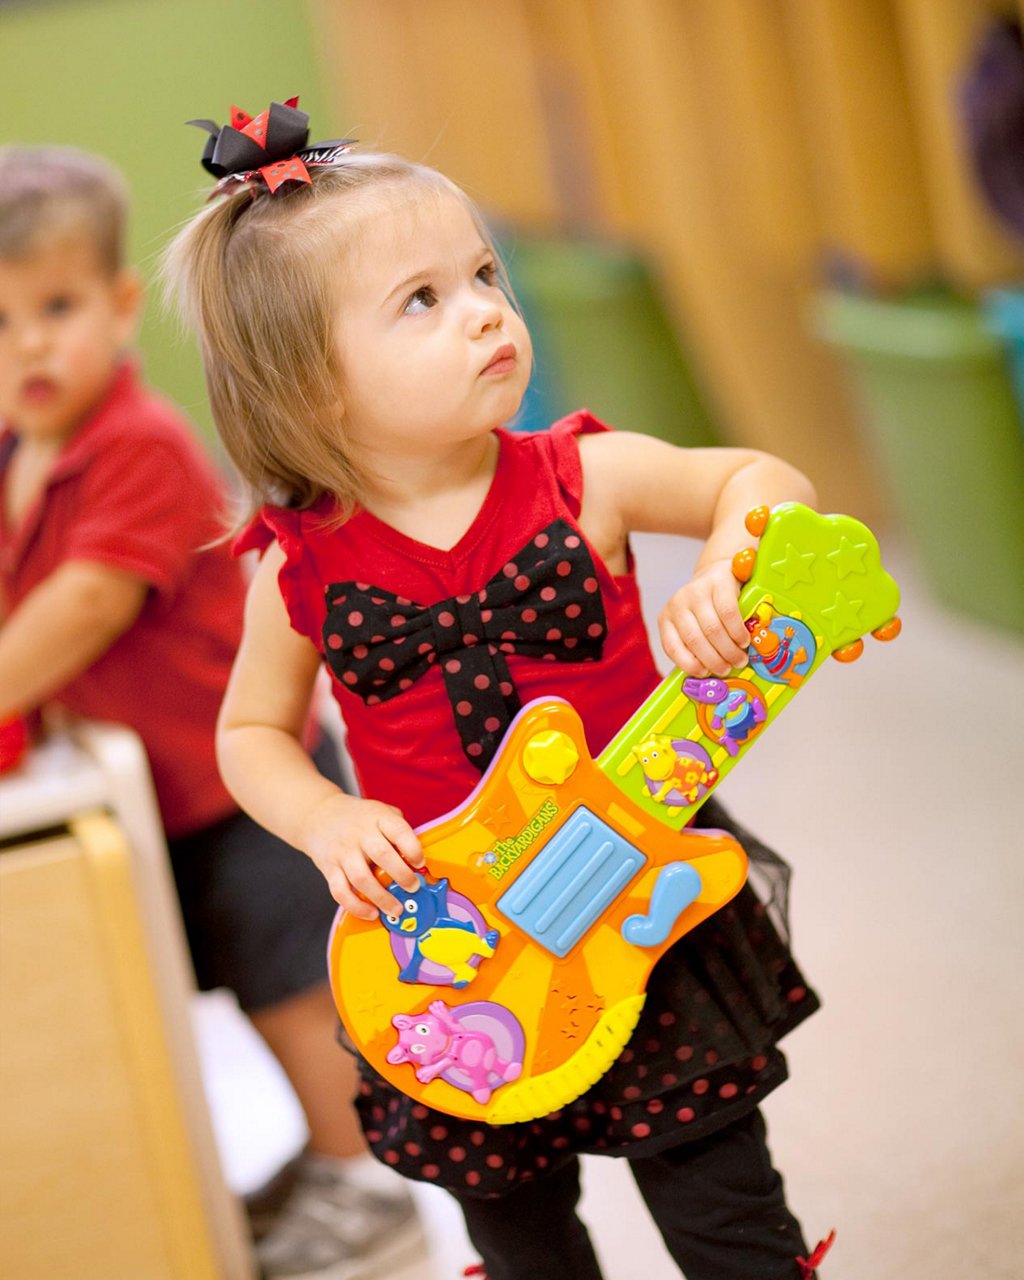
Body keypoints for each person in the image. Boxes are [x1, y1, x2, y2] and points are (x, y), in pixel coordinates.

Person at [162, 99, 833, 1280]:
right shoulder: (299, 566)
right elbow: (251, 731)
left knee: (721, 1196)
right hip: (457, 940)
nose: (484, 308)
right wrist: (322, 815)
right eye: (421, 300)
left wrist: (734, 558)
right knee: (518, 1225)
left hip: (634, 888)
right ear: (309, 387)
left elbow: (760, 472)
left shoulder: (588, 478)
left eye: (482, 273)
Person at [0, 145, 422, 1280]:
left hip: (245, 782)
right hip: (155, 798)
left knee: (294, 990)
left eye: (55, 306)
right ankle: (322, 1158)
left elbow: (82, 606)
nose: (28, 344)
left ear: (121, 305)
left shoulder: (136, 446)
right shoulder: (15, 455)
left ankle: (368, 1178)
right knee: (215, 989)